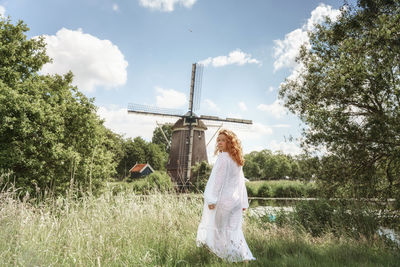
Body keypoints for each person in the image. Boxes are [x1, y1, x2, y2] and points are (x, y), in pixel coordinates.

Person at [196, 129, 255, 262]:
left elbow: (218, 182)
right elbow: (241, 183)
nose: (220, 143)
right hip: (235, 202)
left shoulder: (223, 158)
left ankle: (223, 259)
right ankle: (241, 257)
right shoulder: (237, 159)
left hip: (223, 201)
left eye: (223, 140)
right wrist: (244, 202)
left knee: (218, 232)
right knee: (234, 231)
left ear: (230, 142)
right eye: (218, 140)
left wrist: (212, 199)